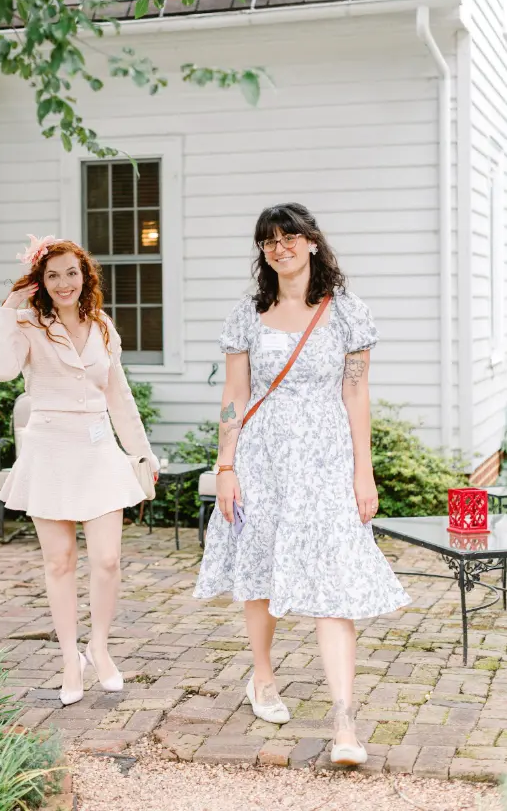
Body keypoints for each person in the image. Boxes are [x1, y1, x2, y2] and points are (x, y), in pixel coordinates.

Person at [194, 202, 410, 767]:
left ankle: (344, 718)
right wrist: (226, 467)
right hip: (262, 457)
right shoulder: (248, 313)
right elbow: (234, 398)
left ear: (313, 242)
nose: (281, 248)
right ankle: (262, 678)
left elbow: (356, 395)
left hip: (326, 460)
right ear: (262, 252)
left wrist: (363, 471)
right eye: (269, 241)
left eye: (291, 237)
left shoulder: (346, 313)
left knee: (333, 580)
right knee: (260, 566)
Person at [0, 235, 159, 708]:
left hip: (100, 448)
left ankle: (98, 647)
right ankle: (69, 657)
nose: (63, 283)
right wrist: (8, 308)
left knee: (107, 560)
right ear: (40, 282)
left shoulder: (103, 326)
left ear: (85, 276)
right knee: (59, 562)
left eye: (71, 273)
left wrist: (143, 453)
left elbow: (119, 396)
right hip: (49, 450)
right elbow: (3, 371)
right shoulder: (26, 323)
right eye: (52, 274)